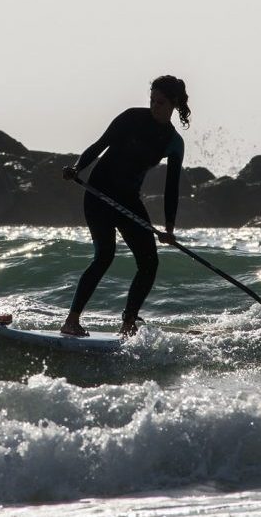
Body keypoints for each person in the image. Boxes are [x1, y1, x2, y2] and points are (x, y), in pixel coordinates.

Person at [60, 75, 190, 337]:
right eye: (152, 100)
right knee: (104, 256)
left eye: (160, 102)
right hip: (99, 194)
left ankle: (128, 323)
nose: (154, 106)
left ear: (174, 104)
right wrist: (77, 168)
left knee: (149, 263)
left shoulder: (174, 143)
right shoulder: (131, 117)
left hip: (128, 201)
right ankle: (71, 321)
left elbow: (171, 188)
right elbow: (98, 146)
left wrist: (169, 228)